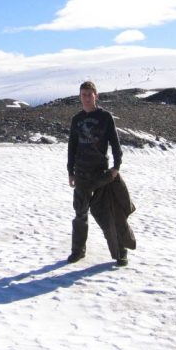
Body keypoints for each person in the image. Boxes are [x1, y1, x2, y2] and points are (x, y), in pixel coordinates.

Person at [66, 81, 135, 266]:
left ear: (96, 95)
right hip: (81, 174)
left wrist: (116, 167)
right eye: (83, 94)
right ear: (80, 96)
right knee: (80, 214)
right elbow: (72, 146)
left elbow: (115, 144)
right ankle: (78, 251)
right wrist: (70, 172)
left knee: (109, 214)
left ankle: (121, 252)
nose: (86, 98)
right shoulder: (76, 119)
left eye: (89, 94)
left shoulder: (105, 117)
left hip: (100, 175)